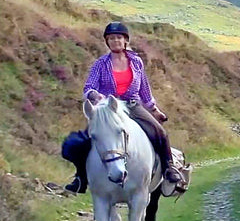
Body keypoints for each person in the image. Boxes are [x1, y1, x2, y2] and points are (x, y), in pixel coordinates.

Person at [62, 22, 184, 193]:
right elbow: (88, 88)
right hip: (108, 109)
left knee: (160, 133)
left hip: (132, 105)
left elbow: (144, 89)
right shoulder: (100, 64)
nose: (115, 41)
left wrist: (154, 109)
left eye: (119, 37)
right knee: (84, 141)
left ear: (125, 40)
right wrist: (95, 96)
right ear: (107, 42)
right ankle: (81, 178)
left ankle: (169, 169)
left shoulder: (136, 62)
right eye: (111, 38)